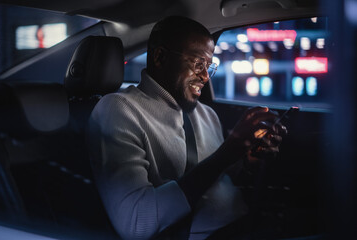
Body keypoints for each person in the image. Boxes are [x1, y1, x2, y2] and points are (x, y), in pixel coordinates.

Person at [87, 16, 286, 240]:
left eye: (208, 67)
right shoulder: (118, 110)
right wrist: (226, 154)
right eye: (198, 64)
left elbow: (222, 178)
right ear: (160, 57)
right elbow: (135, 224)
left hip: (245, 224)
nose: (204, 77)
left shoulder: (206, 114)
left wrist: (248, 160)